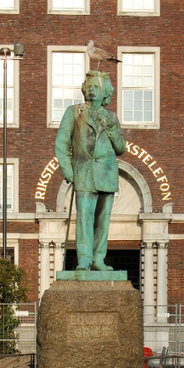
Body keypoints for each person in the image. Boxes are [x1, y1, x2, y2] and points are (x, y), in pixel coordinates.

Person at [55, 70, 126, 271]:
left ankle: (98, 259)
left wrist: (112, 129)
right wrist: (68, 170)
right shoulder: (74, 112)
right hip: (84, 172)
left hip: (107, 173)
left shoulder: (111, 117)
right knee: (84, 218)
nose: (93, 90)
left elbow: (121, 148)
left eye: (97, 87)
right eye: (90, 87)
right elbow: (61, 143)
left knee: (103, 221)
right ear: (85, 90)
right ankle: (84, 260)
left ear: (106, 93)